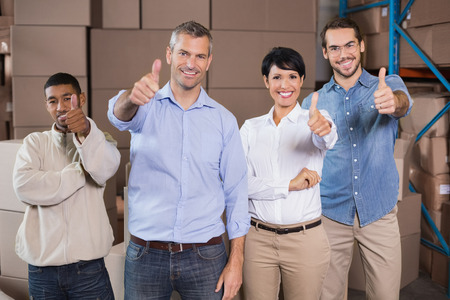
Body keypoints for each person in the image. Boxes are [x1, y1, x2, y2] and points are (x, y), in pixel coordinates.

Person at [107, 21, 249, 300]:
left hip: (205, 255)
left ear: (209, 61)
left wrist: (237, 261)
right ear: (169, 55)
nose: (191, 63)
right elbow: (117, 115)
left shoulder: (224, 121)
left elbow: (236, 192)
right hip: (145, 254)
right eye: (184, 53)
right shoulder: (144, 107)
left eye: (200, 56)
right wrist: (131, 98)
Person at [301, 17, 413, 300]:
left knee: (386, 295)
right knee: (328, 296)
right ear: (325, 53)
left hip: (378, 210)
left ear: (362, 45)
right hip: (330, 214)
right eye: (335, 48)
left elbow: (402, 103)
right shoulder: (314, 103)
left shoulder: (387, 85)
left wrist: (393, 102)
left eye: (350, 45)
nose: (344, 54)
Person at [240, 47, 338, 300]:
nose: (285, 84)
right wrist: (289, 185)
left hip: (305, 240)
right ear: (266, 81)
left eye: (292, 76)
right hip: (257, 240)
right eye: (277, 77)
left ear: (302, 80)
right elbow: (238, 184)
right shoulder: (250, 128)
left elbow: (327, 138)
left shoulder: (315, 119)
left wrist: (322, 128)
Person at [13, 72, 120, 299]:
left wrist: (87, 132)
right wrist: (79, 171)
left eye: (67, 98)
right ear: (47, 105)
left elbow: (103, 171)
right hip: (42, 272)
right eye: (53, 101)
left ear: (80, 99)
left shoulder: (101, 139)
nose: (60, 107)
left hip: (88, 270)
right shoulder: (35, 143)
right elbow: (24, 186)